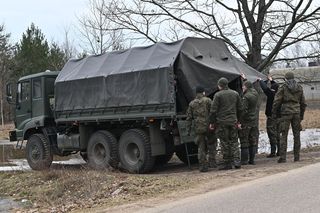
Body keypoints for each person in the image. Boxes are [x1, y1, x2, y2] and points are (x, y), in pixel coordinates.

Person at [272, 71, 307, 163]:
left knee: (284, 135)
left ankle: (283, 157)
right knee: (297, 135)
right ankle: (297, 157)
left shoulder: (283, 87)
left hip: (286, 112)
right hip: (296, 112)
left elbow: (277, 101)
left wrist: (274, 113)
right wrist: (301, 115)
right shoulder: (299, 87)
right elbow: (303, 103)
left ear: (286, 78)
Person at [210, 77, 242, 170]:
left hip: (222, 122)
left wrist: (212, 122)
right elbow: (240, 108)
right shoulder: (235, 94)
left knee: (224, 142)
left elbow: (213, 110)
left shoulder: (218, 95)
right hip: (233, 121)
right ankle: (237, 161)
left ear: (220, 85)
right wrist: (239, 121)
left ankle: (227, 163)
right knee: (234, 141)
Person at [186, 86, 217, 172]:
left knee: (201, 148)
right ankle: (212, 163)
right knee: (212, 145)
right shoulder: (208, 101)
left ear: (196, 93)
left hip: (199, 129)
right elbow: (213, 112)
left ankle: (203, 166)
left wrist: (188, 130)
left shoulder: (192, 104)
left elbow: (189, 118)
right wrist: (214, 124)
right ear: (203, 92)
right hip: (209, 127)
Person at [258, 75, 280, 157]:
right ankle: (280, 151)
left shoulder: (271, 94)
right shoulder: (279, 94)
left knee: (271, 134)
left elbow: (265, 89)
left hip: (271, 117)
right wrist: (271, 81)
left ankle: (273, 152)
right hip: (279, 117)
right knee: (278, 133)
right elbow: (275, 86)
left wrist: (260, 81)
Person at [239, 80, 259, 165]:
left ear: (246, 87)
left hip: (246, 121)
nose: (242, 87)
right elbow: (250, 86)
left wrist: (239, 120)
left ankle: (244, 161)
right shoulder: (255, 93)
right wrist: (244, 79)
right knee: (253, 140)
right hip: (254, 121)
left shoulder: (246, 97)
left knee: (244, 141)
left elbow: (243, 110)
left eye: (243, 86)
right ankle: (252, 160)